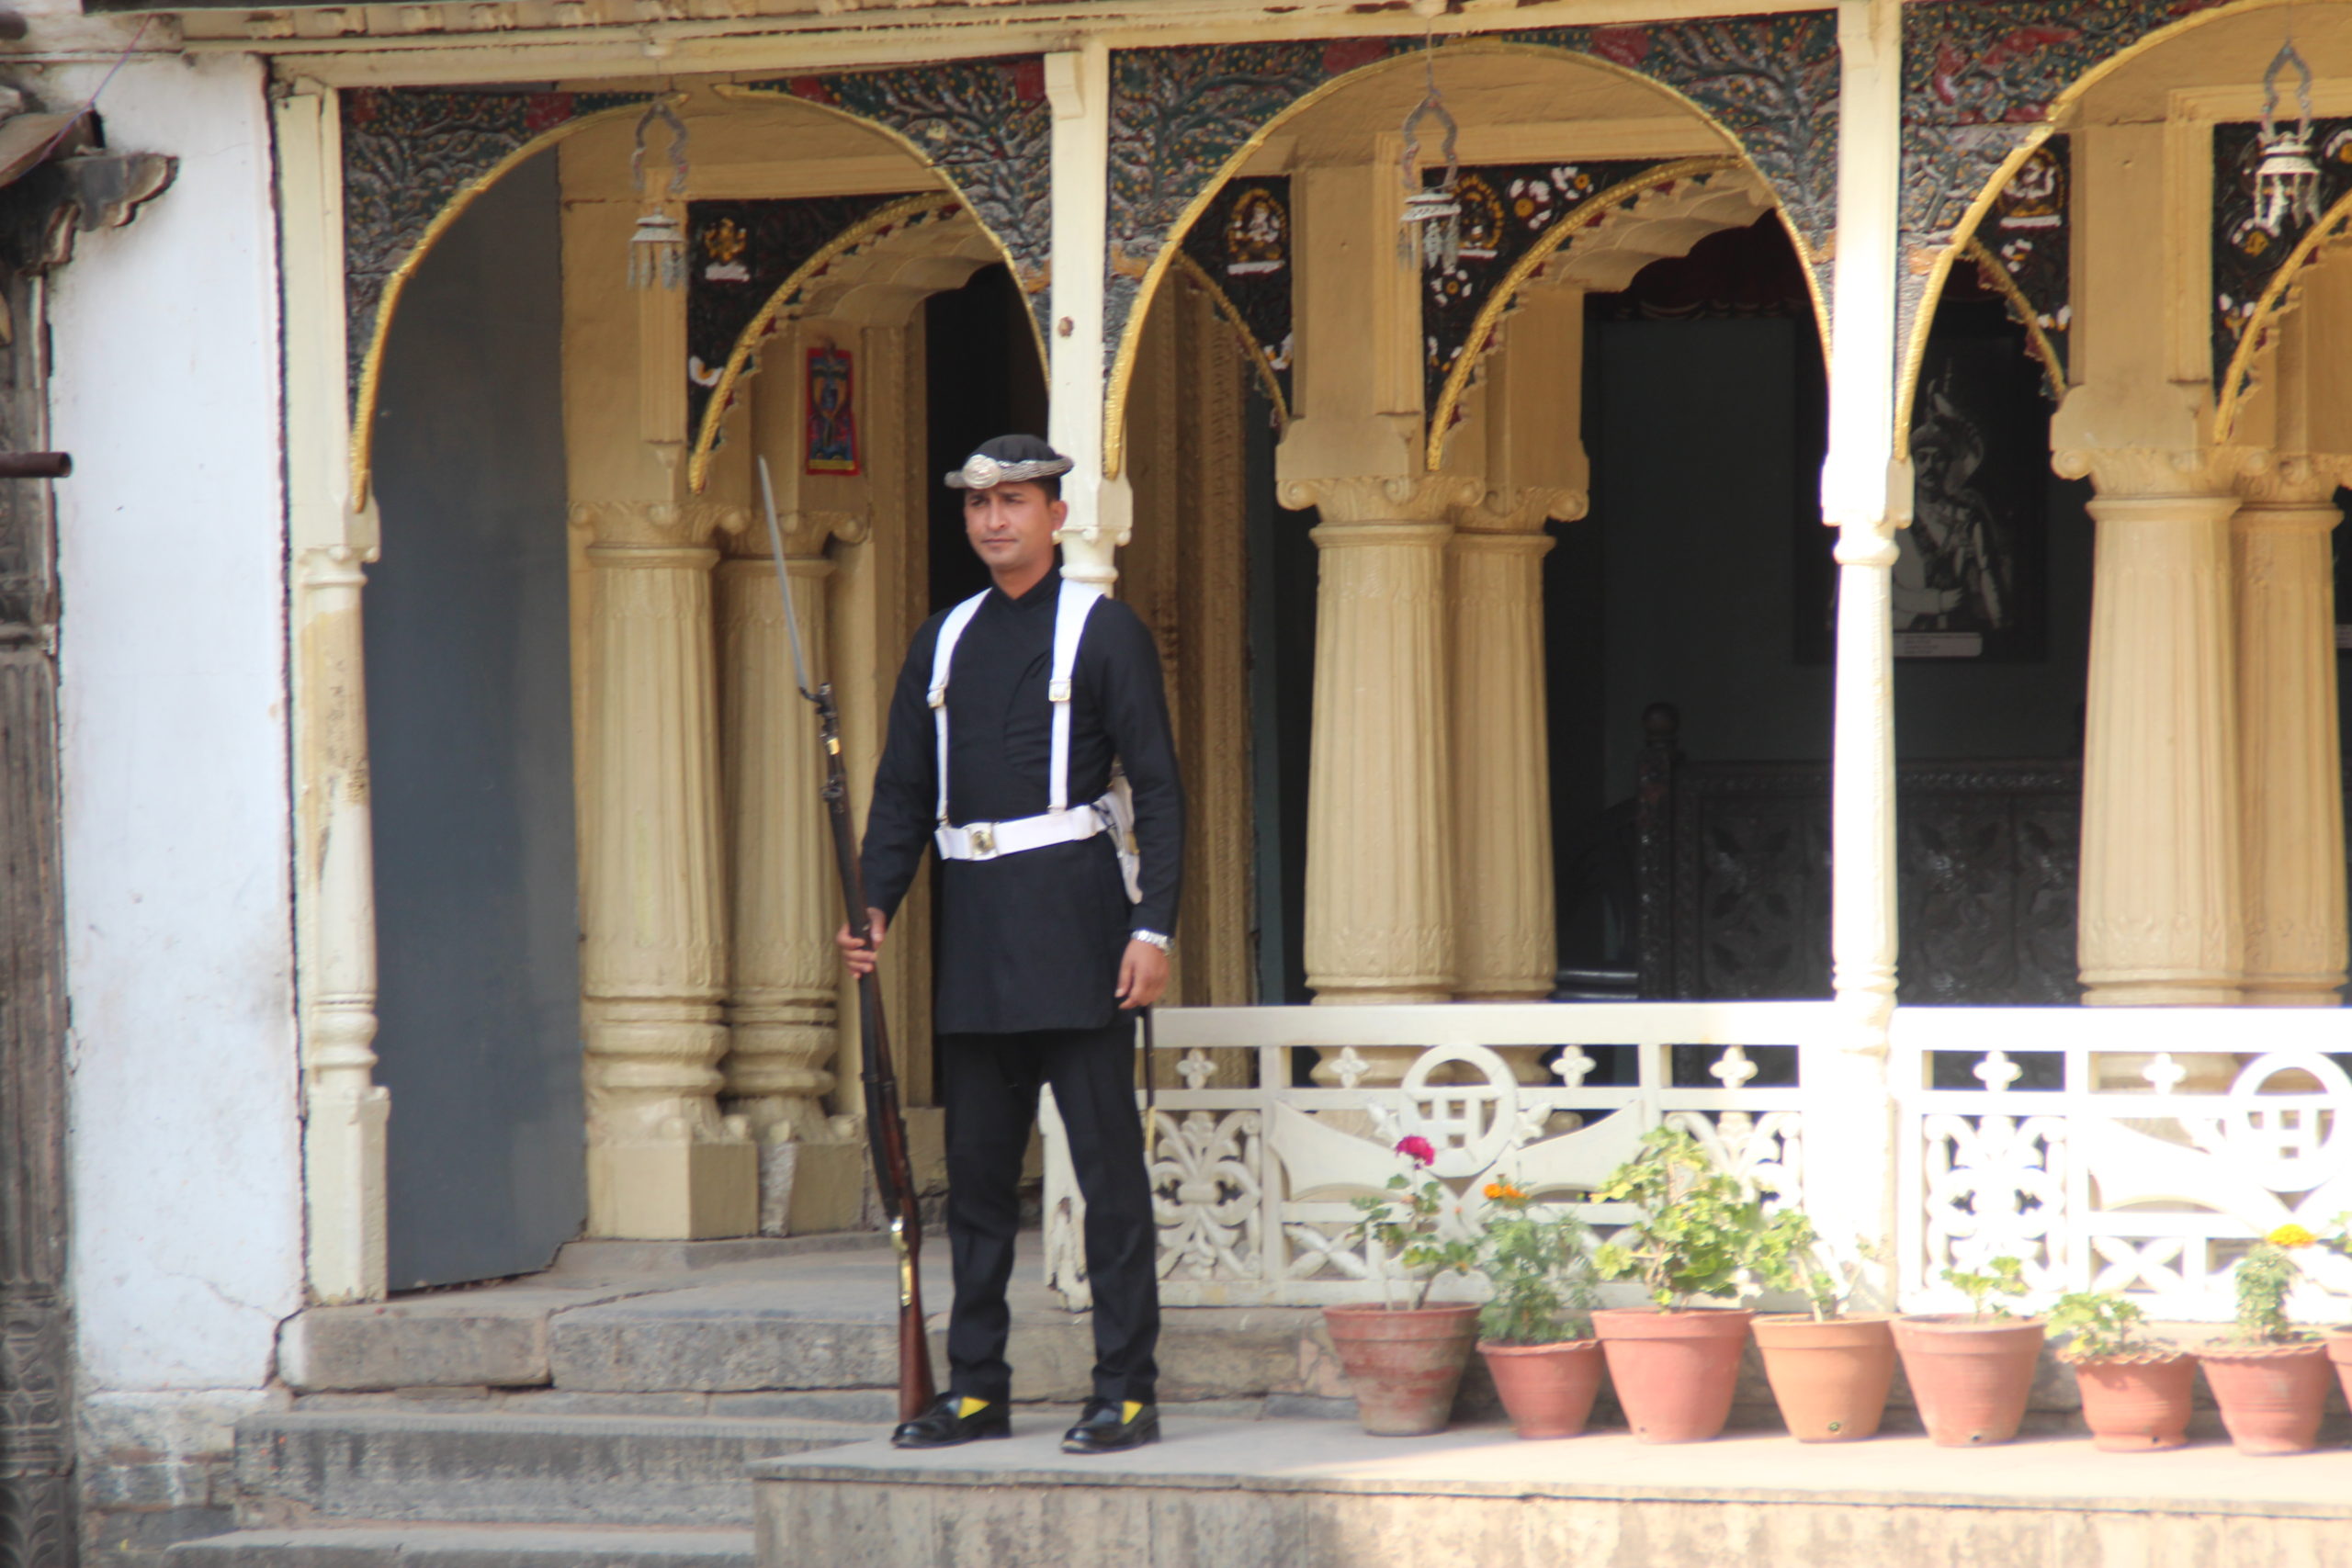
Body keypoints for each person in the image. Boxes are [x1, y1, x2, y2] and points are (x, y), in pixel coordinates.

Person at [838, 433, 1182, 1456]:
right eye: (979, 505)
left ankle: (1126, 1390)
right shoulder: (942, 639)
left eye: (1016, 502)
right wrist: (875, 903)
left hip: (1079, 930)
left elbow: (1157, 788)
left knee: (1110, 1183)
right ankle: (976, 1387)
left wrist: (1151, 926)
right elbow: (903, 788)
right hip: (977, 932)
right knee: (979, 1184)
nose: (995, 521)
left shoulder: (1103, 631)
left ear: (1055, 515)